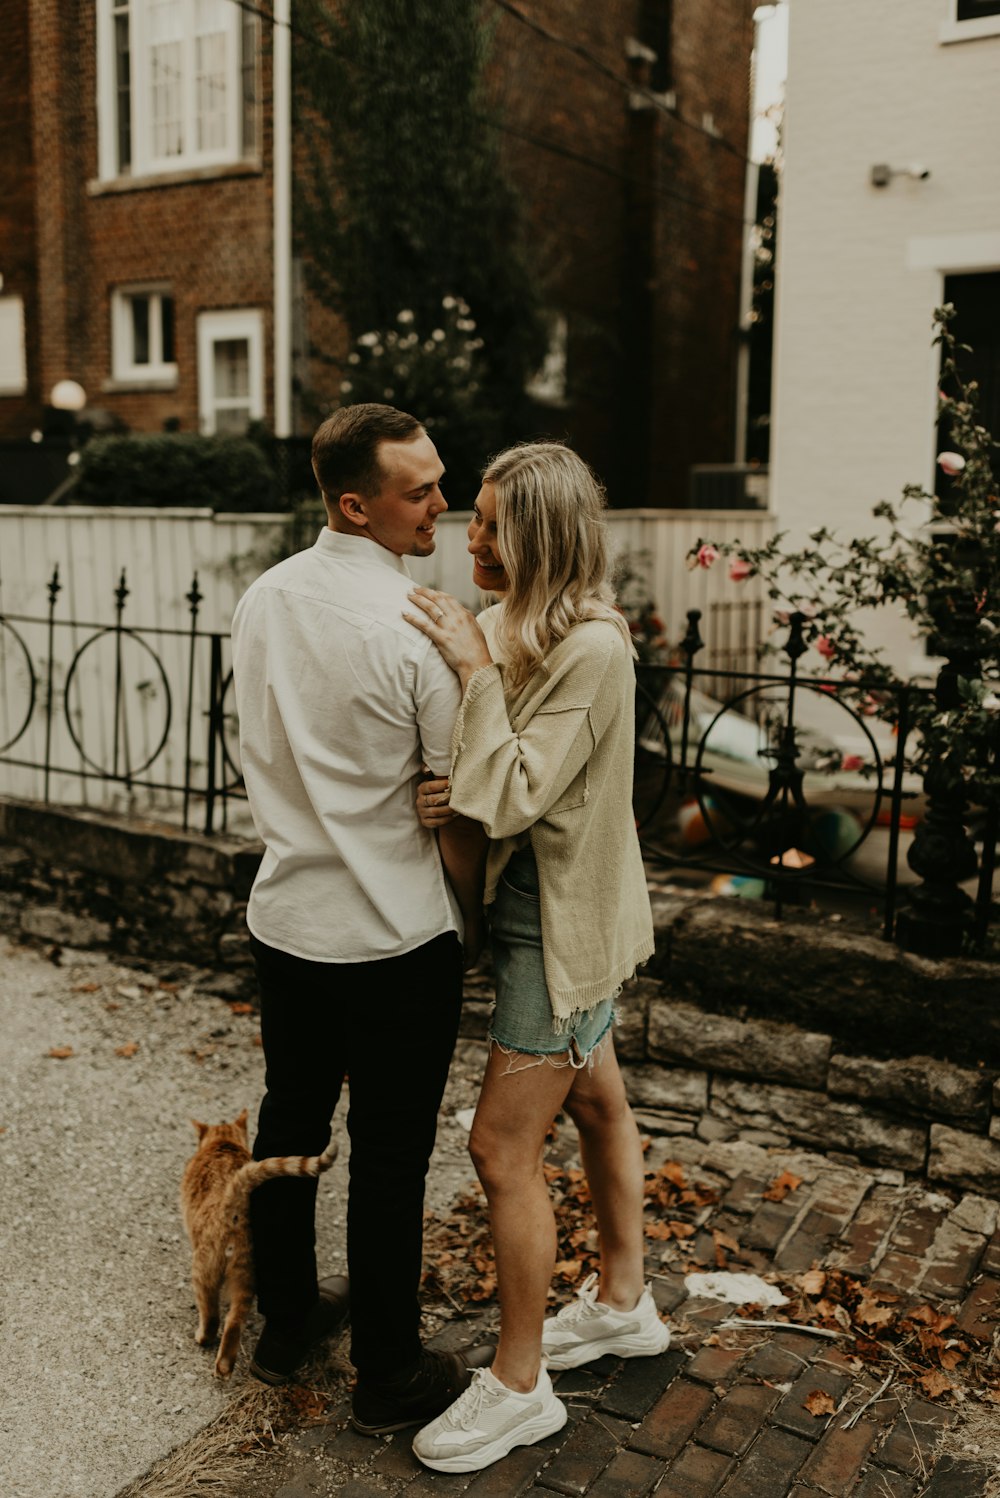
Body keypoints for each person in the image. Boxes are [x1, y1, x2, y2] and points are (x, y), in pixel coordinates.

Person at [400, 441, 666, 1474]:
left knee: (500, 1150)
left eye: (490, 522)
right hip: (560, 915)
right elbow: (496, 766)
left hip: (553, 934)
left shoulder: (594, 651)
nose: (469, 536)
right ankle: (622, 1304)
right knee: (600, 1105)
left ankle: (518, 1387)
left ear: (541, 538)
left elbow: (509, 792)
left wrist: (470, 677)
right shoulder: (526, 626)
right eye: (470, 515)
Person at [231, 403, 488, 1432]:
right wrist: (469, 921)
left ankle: (286, 1321)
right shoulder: (416, 628)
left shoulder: (263, 598)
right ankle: (388, 1374)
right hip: (391, 936)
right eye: (418, 490)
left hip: (288, 918)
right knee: (388, 1155)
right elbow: (457, 792)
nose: (440, 502)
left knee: (290, 1119)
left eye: (437, 479)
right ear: (355, 503)